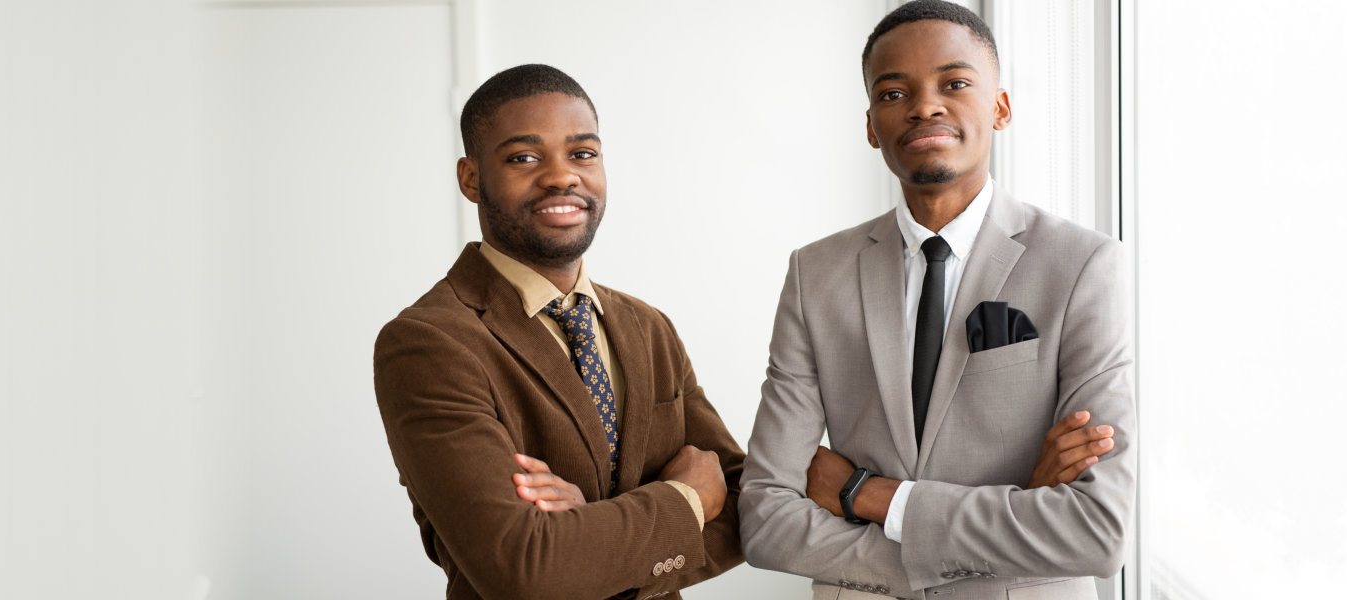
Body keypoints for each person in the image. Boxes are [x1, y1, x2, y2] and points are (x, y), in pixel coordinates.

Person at [739, 2, 1135, 598]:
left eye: (954, 83)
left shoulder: (1083, 265)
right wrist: (1004, 526)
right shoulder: (814, 274)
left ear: (1000, 107)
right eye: (894, 93)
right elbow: (766, 520)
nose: (925, 105)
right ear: (872, 126)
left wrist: (868, 495)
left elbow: (1098, 532)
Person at [372, 64, 744, 600]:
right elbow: (524, 571)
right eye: (524, 157)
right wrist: (684, 500)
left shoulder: (650, 327)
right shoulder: (429, 343)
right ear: (471, 178)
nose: (562, 176)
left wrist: (589, 537)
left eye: (582, 153)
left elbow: (745, 507)